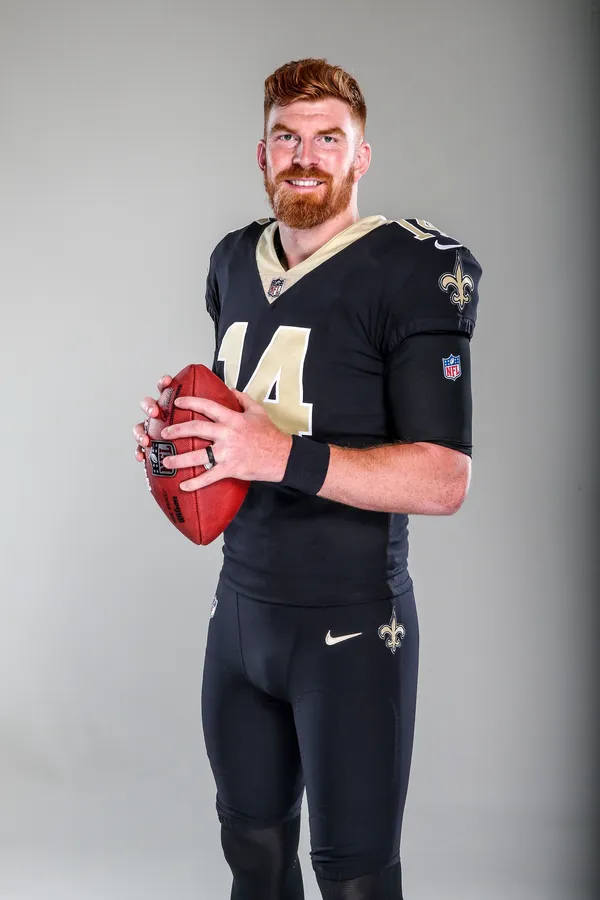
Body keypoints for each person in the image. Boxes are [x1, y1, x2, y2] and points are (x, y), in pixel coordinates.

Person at [132, 58, 481, 900]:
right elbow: (241, 424)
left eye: (329, 139)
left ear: (361, 157)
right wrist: (181, 444)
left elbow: (444, 479)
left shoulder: (411, 269)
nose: (305, 156)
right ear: (262, 154)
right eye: (287, 137)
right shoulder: (232, 260)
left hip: (352, 629)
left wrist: (277, 455)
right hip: (239, 615)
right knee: (252, 855)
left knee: (355, 882)